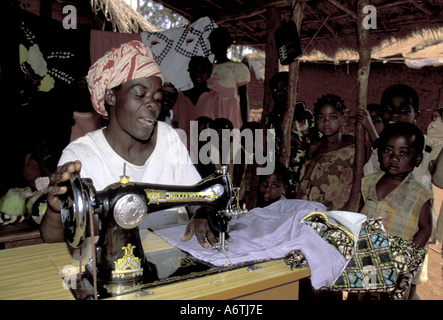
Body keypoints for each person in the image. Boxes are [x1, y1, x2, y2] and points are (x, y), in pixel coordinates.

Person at [40, 41, 225, 249]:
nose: (153, 105)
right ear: (111, 96)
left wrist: (200, 214)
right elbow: (53, 241)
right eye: (139, 95)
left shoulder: (167, 137)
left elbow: (195, 195)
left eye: (157, 98)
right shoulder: (80, 156)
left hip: (175, 252)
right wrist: (56, 211)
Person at [360, 122, 433, 299]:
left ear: (417, 159)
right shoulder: (369, 182)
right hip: (367, 259)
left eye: (403, 153)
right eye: (388, 150)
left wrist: (405, 261)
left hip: (395, 265)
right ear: (379, 153)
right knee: (364, 294)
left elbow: (425, 228)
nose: (394, 158)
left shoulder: (419, 195)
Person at [295, 94, 361, 211]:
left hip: (344, 206)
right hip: (316, 205)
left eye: (333, 117)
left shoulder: (352, 143)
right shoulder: (315, 147)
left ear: (343, 118)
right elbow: (306, 180)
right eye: (321, 118)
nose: (326, 122)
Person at [172, 56, 222, 153]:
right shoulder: (182, 97)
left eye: (202, 71)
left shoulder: (214, 96)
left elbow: (219, 124)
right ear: (190, 73)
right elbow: (175, 121)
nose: (198, 74)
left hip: (206, 149)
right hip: (184, 148)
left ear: (208, 74)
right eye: (195, 71)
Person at [207, 27, 250, 130]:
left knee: (231, 144)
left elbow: (244, 100)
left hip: (230, 116)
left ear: (227, 44)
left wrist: (245, 126)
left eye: (221, 41)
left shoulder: (237, 68)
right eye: (214, 42)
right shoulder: (207, 69)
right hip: (211, 115)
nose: (217, 45)